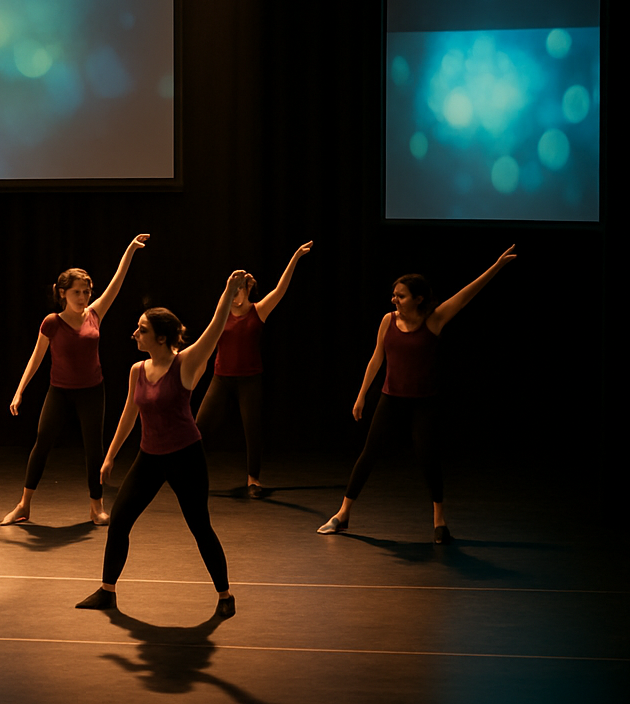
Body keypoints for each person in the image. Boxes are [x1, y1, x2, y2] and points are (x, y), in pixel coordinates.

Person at [76, 270, 251, 616]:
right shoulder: (137, 370)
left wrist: (229, 291)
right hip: (150, 457)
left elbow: (215, 329)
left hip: (186, 456)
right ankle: (107, 591)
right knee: (121, 518)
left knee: (200, 526)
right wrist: (110, 457)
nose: (134, 333)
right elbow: (129, 414)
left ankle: (225, 596)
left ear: (160, 337)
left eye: (142, 329)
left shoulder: (185, 365)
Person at [317, 246, 517, 543]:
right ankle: (343, 514)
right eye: (394, 295)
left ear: (418, 298)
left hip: (424, 402)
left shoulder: (433, 320)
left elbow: (466, 295)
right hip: (391, 398)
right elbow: (376, 359)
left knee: (427, 457)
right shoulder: (387, 321)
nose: (394, 299)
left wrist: (497, 266)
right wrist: (361, 396)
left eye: (401, 295)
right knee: (368, 454)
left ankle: (440, 521)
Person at [1, 234, 151, 527]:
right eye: (77, 292)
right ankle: (23, 504)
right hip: (60, 391)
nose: (84, 297)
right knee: (42, 443)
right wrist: (20, 391)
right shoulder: (52, 322)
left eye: (86, 291)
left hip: (92, 391)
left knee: (93, 448)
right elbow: (36, 357)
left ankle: (96, 506)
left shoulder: (95, 314)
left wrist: (130, 250)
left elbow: (117, 283)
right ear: (62, 293)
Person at [194, 241, 313, 498]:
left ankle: (253, 479)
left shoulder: (259, 310)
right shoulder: (222, 312)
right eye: (231, 290)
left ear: (248, 289)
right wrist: (229, 284)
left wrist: (294, 258)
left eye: (239, 289)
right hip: (221, 378)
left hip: (249, 380)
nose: (234, 294)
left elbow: (281, 289)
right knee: (198, 427)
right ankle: (189, 473)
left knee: (252, 428)